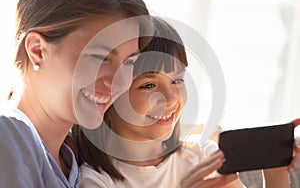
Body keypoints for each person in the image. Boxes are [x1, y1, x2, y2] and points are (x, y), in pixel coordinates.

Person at [75, 16, 300, 188]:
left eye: (177, 80)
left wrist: (275, 174)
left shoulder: (204, 158)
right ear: (111, 94)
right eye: (149, 85)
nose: (172, 98)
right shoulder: (97, 181)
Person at [0, 0, 150, 187]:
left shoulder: (71, 162)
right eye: (100, 57)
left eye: (129, 63)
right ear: (37, 50)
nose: (120, 82)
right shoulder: (8, 133)